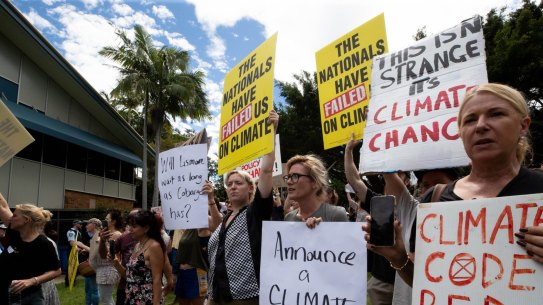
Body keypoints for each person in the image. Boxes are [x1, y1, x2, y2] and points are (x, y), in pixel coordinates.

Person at [364, 83, 543, 288]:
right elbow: (424, 284)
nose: (481, 125)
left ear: (524, 125)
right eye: (470, 119)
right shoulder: (434, 199)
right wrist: (397, 256)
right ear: (460, 133)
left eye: (496, 114)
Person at [207, 109, 278, 305]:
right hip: (218, 294)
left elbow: (265, 170)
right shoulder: (227, 217)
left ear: (250, 188)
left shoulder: (255, 212)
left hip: (245, 297)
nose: (232, 187)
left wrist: (271, 133)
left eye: (238, 183)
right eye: (229, 184)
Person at [344, 134, 396, 305]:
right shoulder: (380, 203)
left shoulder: (421, 206)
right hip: (382, 281)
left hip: (409, 281)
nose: (391, 178)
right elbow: (355, 180)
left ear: (408, 181)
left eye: (397, 174)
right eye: (388, 175)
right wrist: (349, 150)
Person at [0, 194, 61, 305]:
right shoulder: (15, 235)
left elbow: (56, 271)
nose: (10, 218)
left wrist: (32, 281)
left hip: (28, 298)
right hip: (6, 294)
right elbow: (2, 206)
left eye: (14, 216)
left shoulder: (43, 244)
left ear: (26, 220)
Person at [173, 181, 223, 305]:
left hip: (197, 273)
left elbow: (218, 226)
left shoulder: (203, 224)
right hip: (183, 273)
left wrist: (210, 199)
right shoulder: (189, 224)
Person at [114, 209, 166, 305]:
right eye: (130, 226)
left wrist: (156, 302)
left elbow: (157, 279)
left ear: (146, 228)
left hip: (146, 299)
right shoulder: (138, 245)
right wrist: (116, 264)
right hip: (132, 297)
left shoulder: (154, 246)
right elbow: (130, 277)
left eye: (134, 227)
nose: (130, 230)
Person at [284, 154, 348, 226]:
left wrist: (322, 229)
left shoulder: (336, 214)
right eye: (288, 177)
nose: (288, 181)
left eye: (295, 176)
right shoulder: (289, 218)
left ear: (315, 182)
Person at [96, 210, 123, 305]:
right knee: (105, 298)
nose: (104, 221)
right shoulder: (105, 234)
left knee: (106, 299)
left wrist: (102, 241)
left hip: (109, 269)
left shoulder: (116, 234)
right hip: (103, 268)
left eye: (107, 219)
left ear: (113, 221)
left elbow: (111, 254)